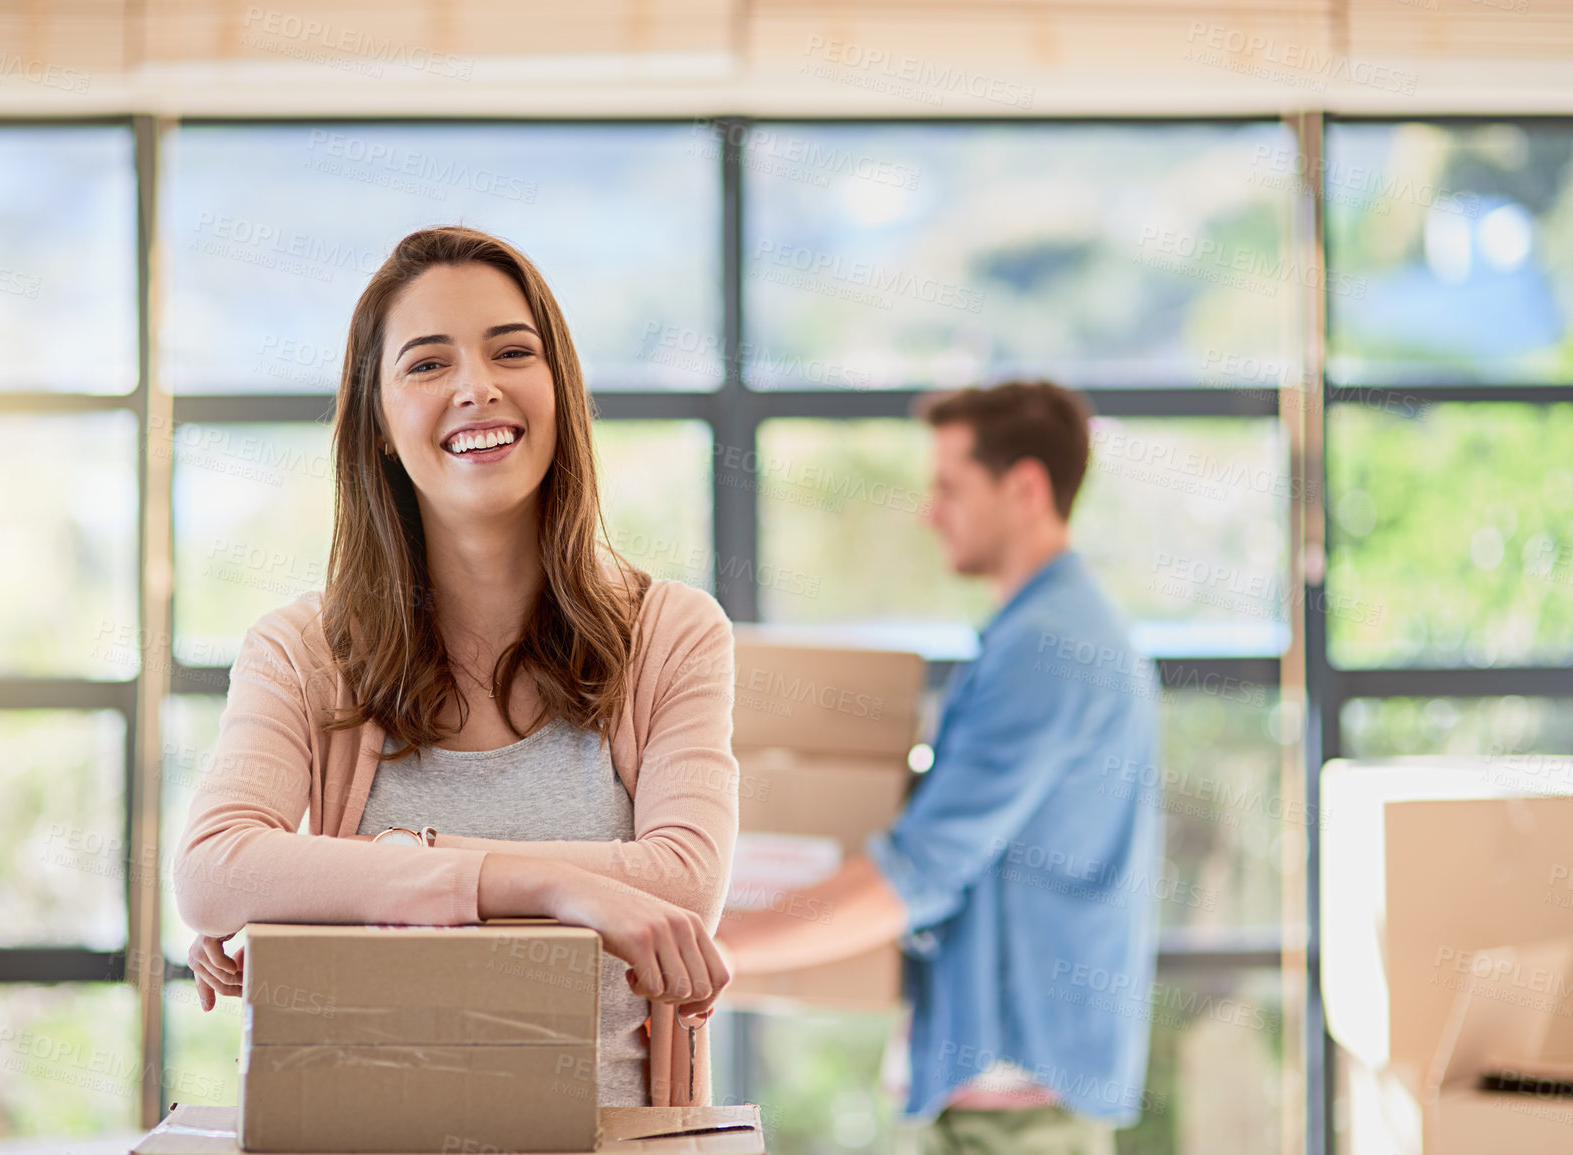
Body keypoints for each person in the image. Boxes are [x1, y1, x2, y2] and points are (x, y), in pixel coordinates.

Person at [175, 225, 736, 1108]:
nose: (478, 388)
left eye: (513, 351)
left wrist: (347, 875)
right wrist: (559, 883)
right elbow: (212, 872)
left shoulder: (670, 633)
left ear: (559, 392)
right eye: (427, 365)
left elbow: (682, 881)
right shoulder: (301, 649)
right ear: (382, 427)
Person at [716, 380, 1163, 1154]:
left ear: (1023, 487)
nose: (929, 511)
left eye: (949, 487)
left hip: (1017, 1094)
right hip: (1010, 1087)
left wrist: (719, 947)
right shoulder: (1039, 630)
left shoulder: (1047, 648)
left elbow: (918, 871)